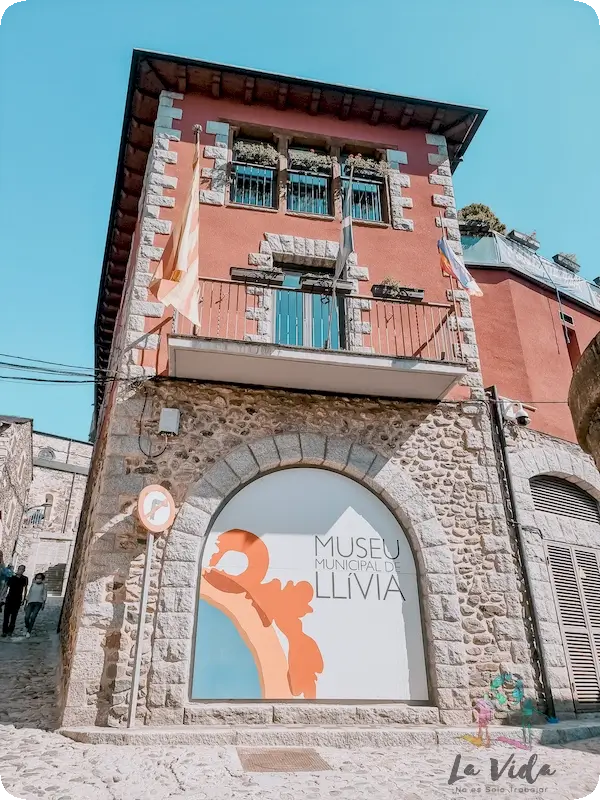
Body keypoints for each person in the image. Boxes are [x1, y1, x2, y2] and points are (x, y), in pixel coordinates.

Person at [2, 565, 28, 637]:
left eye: (22, 569)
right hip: (9, 598)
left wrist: (24, 598)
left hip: (18, 599)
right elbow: (6, 587)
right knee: (6, 616)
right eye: (19, 569)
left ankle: (10, 631)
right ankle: (4, 631)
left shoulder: (25, 579)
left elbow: (25, 589)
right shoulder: (12, 578)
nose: (20, 570)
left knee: (14, 617)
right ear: (18, 569)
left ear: (24, 571)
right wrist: (2, 597)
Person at [24, 573, 47, 637]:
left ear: (42, 579)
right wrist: (26, 602)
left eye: (40, 578)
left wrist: (43, 603)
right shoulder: (33, 585)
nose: (38, 579)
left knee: (33, 617)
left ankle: (29, 631)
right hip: (31, 602)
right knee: (26, 617)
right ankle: (27, 626)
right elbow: (29, 593)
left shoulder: (43, 586)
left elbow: (44, 595)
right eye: (37, 578)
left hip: (38, 602)